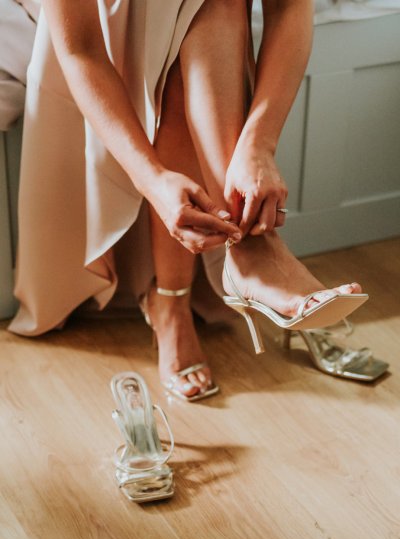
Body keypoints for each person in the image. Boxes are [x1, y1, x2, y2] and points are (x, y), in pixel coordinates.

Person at [9, 0, 366, 399]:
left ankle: (191, 288)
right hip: (96, 28)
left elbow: (288, 7)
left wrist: (259, 146)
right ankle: (247, 251)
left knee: (215, 7)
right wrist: (154, 180)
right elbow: (80, 50)